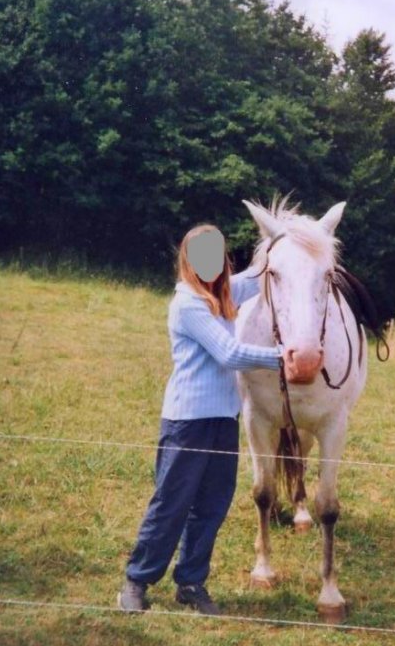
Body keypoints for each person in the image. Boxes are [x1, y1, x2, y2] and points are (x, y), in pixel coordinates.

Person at [118, 223, 293, 616]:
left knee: (212, 505)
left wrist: (281, 245)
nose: (211, 264)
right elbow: (229, 354)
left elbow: (256, 277)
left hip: (222, 420)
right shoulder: (188, 304)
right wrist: (283, 355)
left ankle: (192, 582)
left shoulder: (223, 295)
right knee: (171, 503)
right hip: (187, 421)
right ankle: (137, 580)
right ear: (189, 261)